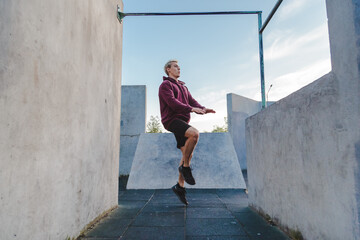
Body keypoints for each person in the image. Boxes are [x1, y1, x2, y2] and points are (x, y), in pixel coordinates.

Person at [158, 59, 215, 205]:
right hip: (171, 120)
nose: (179, 69)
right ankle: (185, 168)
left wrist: (202, 108)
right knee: (194, 134)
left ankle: (180, 186)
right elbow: (172, 103)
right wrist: (190, 109)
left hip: (183, 122)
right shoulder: (165, 85)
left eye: (179, 67)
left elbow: (191, 101)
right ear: (168, 69)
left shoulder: (183, 87)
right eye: (175, 66)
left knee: (187, 154)